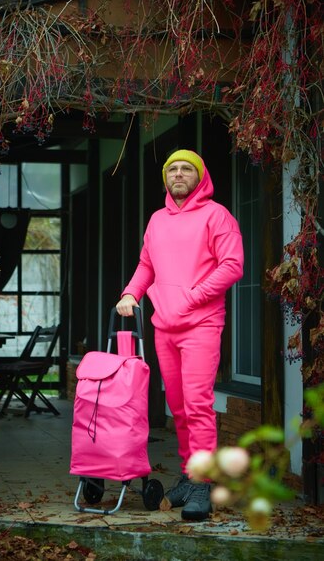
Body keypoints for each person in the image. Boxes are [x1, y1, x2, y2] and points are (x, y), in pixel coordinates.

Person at [116, 149, 244, 520]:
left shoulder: (216, 216)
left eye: (187, 169)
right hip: (164, 328)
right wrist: (130, 293)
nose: (178, 174)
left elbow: (233, 265)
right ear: (165, 178)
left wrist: (193, 296)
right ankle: (189, 476)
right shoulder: (157, 220)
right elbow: (146, 264)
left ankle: (202, 484)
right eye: (172, 169)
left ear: (200, 176)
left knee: (199, 403)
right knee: (178, 407)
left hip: (202, 324)